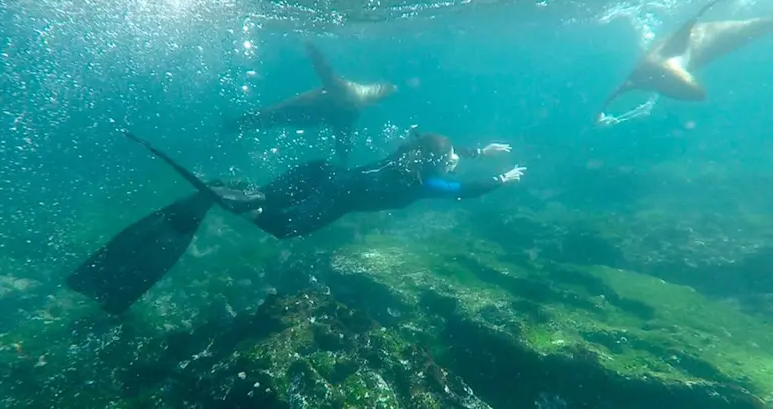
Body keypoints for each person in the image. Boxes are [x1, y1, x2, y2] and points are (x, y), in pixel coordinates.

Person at [67, 130, 526, 314]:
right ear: (433, 161)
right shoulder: (421, 183)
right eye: (451, 158)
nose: (454, 163)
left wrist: (475, 152)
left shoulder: (404, 159)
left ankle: (240, 192)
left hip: (319, 171)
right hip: (334, 192)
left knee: (263, 196)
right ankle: (241, 203)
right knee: (284, 227)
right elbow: (461, 189)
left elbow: (438, 153)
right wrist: (501, 180)